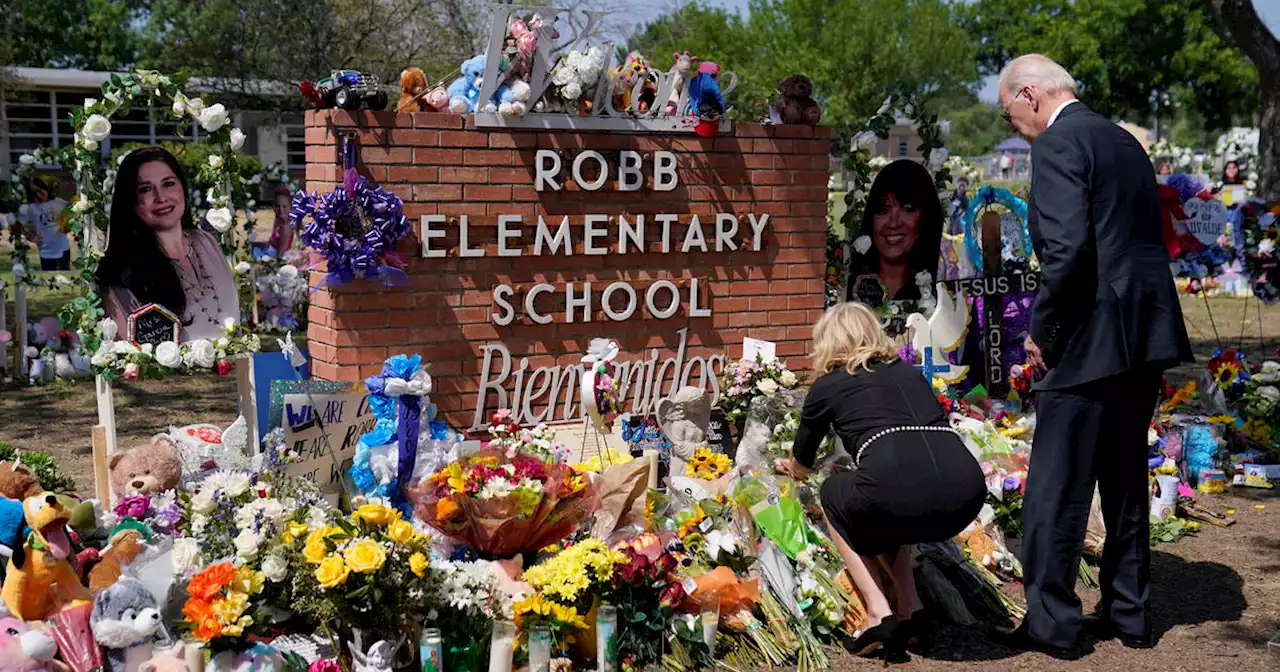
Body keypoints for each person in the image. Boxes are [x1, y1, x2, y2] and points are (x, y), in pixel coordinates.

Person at [997, 54, 1193, 656]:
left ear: (1030, 95)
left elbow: (1069, 252)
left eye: (1011, 115)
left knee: (1056, 487)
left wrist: (1042, 330)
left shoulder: (1058, 145)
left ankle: (1053, 623)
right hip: (1144, 329)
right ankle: (1130, 612)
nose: (1016, 129)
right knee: (1126, 477)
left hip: (1089, 334)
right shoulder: (1123, 141)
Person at [778, 302, 986, 663]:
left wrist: (789, 467)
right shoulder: (909, 374)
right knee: (891, 499)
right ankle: (911, 607)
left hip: (898, 493)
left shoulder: (828, 385)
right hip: (966, 493)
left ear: (828, 341)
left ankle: (878, 611)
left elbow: (803, 463)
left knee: (836, 493)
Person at [97, 146, 239, 342]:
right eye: (145, 189)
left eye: (168, 184)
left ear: (183, 188)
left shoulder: (206, 242)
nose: (161, 198)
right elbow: (131, 355)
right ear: (130, 200)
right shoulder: (124, 270)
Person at [846, 159, 943, 302]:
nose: (893, 223)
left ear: (926, 218)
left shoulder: (945, 295)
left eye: (907, 209)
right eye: (883, 211)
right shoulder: (844, 289)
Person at [17, 176, 71, 271]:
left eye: (40, 190)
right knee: (50, 280)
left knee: (66, 278)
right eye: (34, 193)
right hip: (46, 251)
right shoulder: (30, 208)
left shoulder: (59, 202)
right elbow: (17, 225)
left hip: (64, 248)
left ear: (44, 187)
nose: (39, 195)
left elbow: (73, 212)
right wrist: (31, 238)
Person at [268, 187, 296, 256]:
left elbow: (280, 253)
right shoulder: (279, 221)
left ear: (290, 207)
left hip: (279, 260)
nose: (281, 210)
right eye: (277, 206)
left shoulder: (285, 227)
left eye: (284, 206)